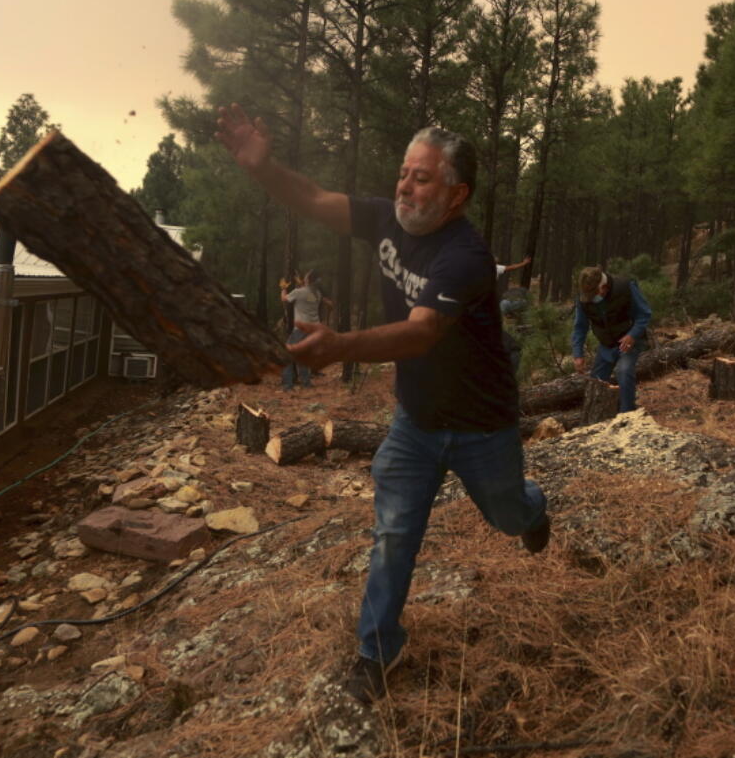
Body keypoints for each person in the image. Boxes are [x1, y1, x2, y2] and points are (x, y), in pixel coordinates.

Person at [216, 104, 550, 704]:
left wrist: (340, 345)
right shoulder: (385, 219)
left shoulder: (466, 256)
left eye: (422, 178)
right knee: (393, 533)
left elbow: (422, 333)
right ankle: (378, 648)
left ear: (456, 194)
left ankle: (532, 510)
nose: (404, 185)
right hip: (415, 424)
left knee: (507, 517)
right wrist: (264, 169)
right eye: (404, 172)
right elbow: (315, 198)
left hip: (482, 427)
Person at [571, 266, 652, 414]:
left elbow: (644, 314)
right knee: (596, 381)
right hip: (606, 344)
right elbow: (580, 327)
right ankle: (595, 417)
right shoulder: (583, 299)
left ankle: (627, 415)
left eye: (594, 295)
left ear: (603, 288)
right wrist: (578, 354)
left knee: (624, 370)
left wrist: (633, 335)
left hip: (629, 341)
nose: (591, 299)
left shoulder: (625, 287)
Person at [280, 270, 333, 390]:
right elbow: (308, 295)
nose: (304, 277)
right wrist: (301, 284)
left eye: (306, 276)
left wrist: (283, 288)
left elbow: (284, 299)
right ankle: (306, 383)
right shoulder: (317, 294)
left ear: (308, 280)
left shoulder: (299, 292)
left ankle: (287, 385)